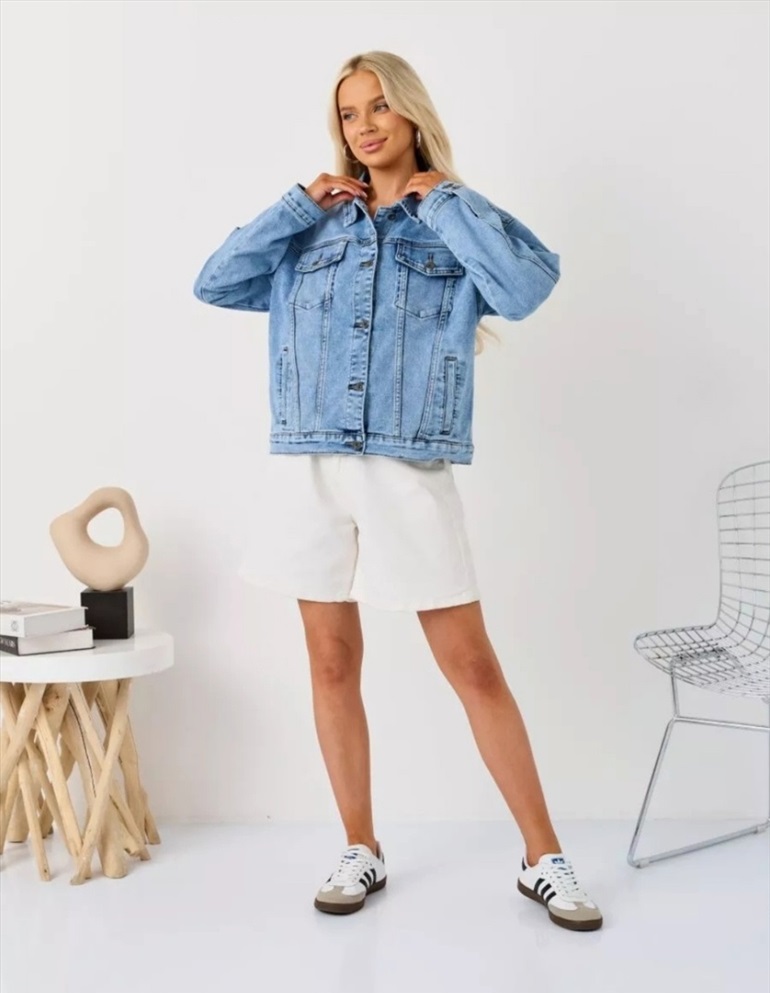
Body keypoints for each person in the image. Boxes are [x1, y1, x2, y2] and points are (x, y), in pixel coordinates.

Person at [193, 50, 603, 932]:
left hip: (407, 465)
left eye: (380, 106)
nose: (366, 125)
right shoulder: (314, 224)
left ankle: (544, 857)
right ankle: (361, 847)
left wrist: (446, 201)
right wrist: (297, 204)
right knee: (331, 662)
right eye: (349, 113)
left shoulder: (453, 216)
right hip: (309, 463)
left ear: (411, 112)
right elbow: (215, 281)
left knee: (472, 665)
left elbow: (525, 290)